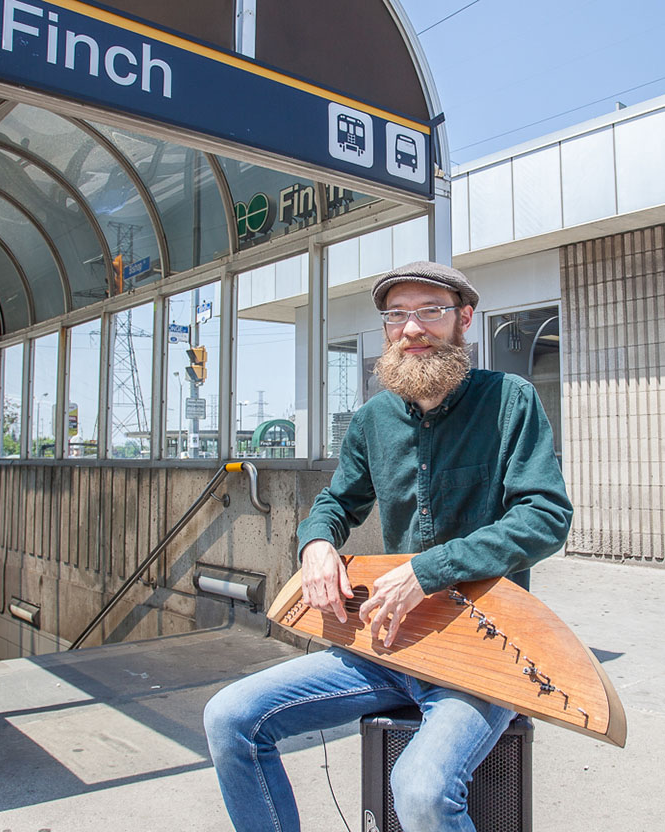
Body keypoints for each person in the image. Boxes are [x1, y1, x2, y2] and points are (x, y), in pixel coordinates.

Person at [204, 261, 572, 831]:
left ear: (464, 319)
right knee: (229, 717)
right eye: (397, 315)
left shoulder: (510, 401)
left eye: (431, 311)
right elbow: (334, 503)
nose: (412, 329)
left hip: (484, 649)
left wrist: (431, 568)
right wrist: (317, 544)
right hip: (387, 643)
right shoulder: (373, 418)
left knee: (420, 791)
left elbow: (546, 517)